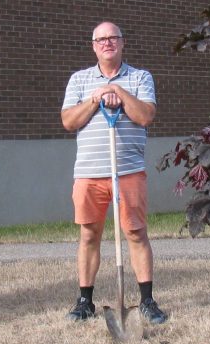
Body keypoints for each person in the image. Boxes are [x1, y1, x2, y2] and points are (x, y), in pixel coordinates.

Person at [60, 22, 167, 324]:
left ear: (123, 43)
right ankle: (85, 301)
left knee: (135, 233)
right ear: (93, 45)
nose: (107, 43)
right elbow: (68, 121)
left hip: (129, 171)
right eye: (101, 39)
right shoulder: (79, 80)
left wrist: (118, 91)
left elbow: (145, 116)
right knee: (89, 234)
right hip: (89, 173)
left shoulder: (140, 77)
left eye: (113, 38)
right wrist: (95, 99)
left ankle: (146, 300)